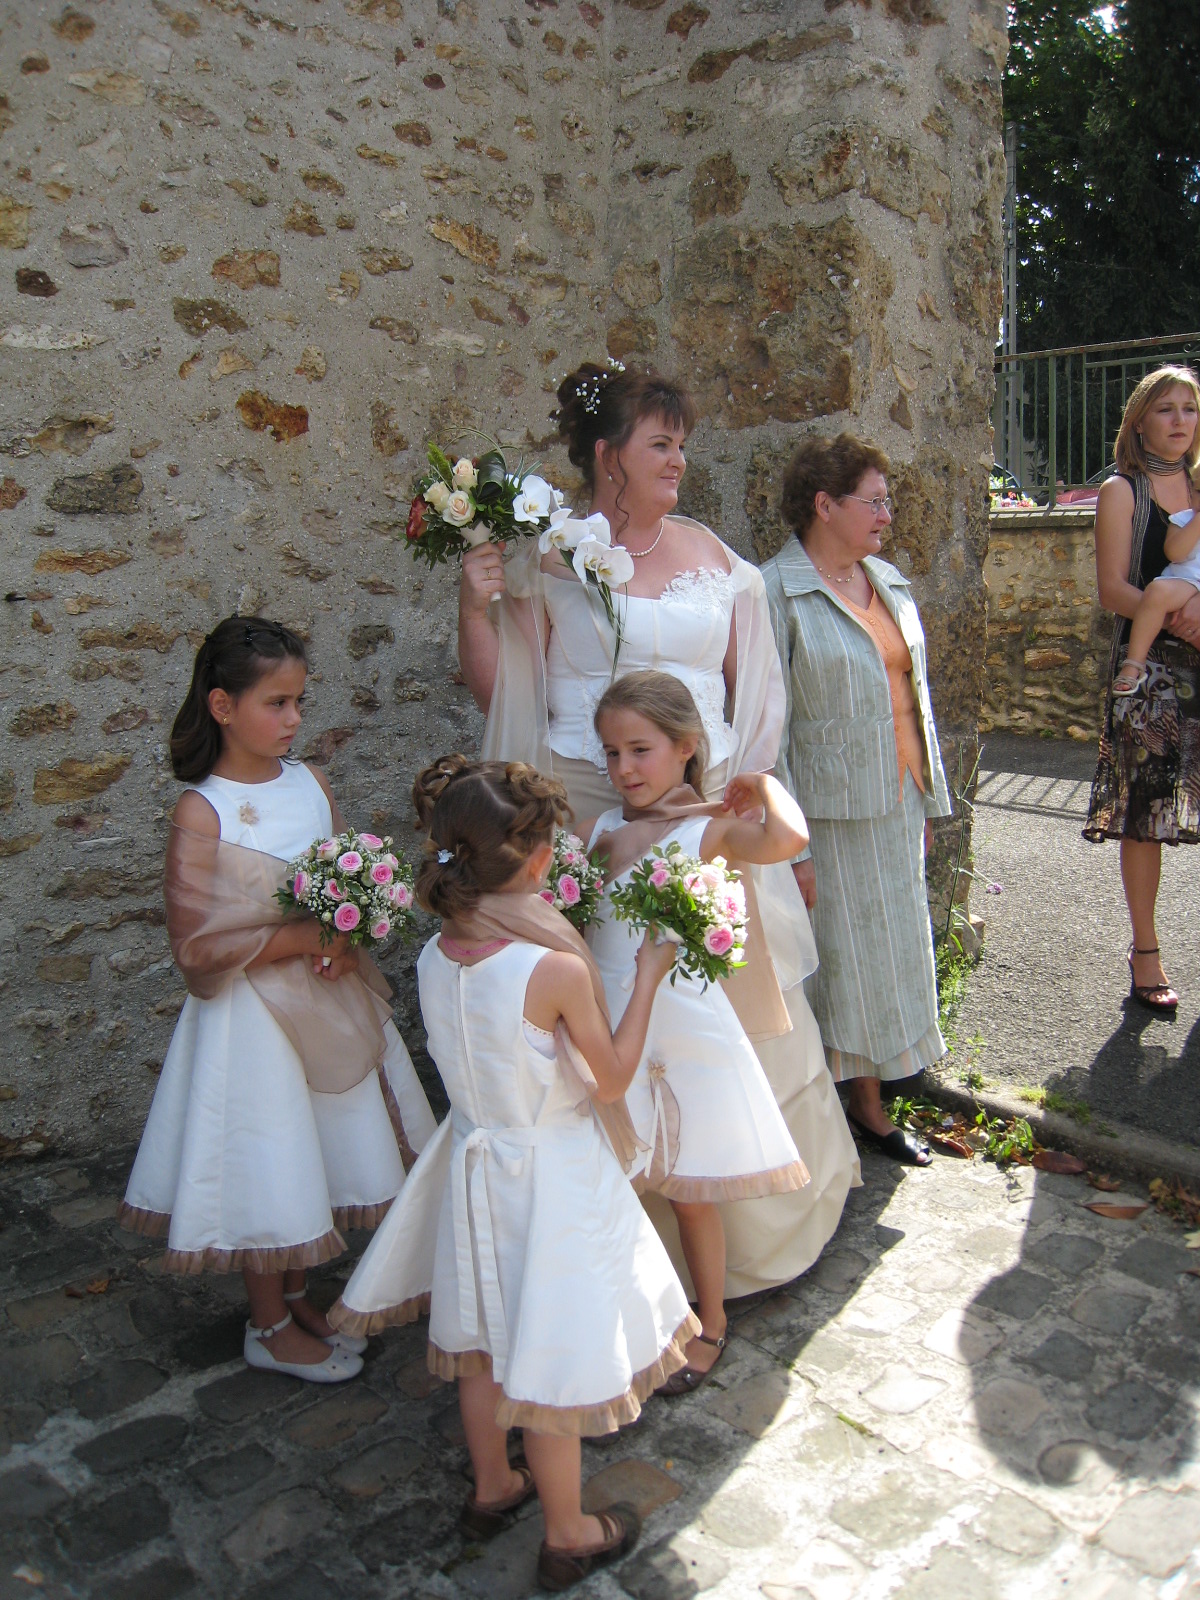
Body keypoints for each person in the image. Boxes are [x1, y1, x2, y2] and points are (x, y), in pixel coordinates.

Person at [456, 358, 860, 1293]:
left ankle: (748, 1230)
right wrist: (476, 605)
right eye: (661, 444)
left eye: (682, 446)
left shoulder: (719, 562)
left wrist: (725, 795)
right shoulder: (551, 562)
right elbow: (505, 688)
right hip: (586, 803)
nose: (678, 461)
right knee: (609, 992)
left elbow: (755, 696)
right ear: (609, 457)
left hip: (698, 810)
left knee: (717, 991)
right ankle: (618, 1244)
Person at [330, 757, 696, 1592]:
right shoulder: (551, 969)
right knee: (551, 1349)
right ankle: (568, 1533)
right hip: (551, 1177)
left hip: (472, 1166)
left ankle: (494, 1485)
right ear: (536, 860)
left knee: (481, 1339)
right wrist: (646, 979)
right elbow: (610, 1080)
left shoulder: (436, 954)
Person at [119, 618, 436, 1382]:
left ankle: (295, 1294)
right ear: (223, 706)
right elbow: (196, 945)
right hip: (251, 1020)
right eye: (277, 703)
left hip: (326, 996)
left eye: (300, 701)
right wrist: (302, 937)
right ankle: (265, 1325)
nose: (294, 719)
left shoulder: (309, 784)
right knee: (269, 1156)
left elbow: (344, 879)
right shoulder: (204, 811)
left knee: (312, 1150)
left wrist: (346, 937)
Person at [584, 673, 810, 1391]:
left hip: (683, 1033)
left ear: (686, 747)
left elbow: (787, 838)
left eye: (640, 749)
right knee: (612, 1180)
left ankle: (710, 1318)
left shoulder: (705, 829)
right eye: (612, 752)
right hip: (610, 1026)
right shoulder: (602, 828)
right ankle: (629, 1314)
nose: (624, 768)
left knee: (689, 1188)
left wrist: (760, 783)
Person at [761, 434, 952, 1167]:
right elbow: (770, 730)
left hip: (897, 802)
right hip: (828, 819)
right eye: (873, 501)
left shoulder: (887, 582)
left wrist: (927, 803)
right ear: (823, 504)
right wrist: (793, 848)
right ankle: (826, 1119)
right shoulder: (776, 592)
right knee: (837, 969)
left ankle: (872, 1108)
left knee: (887, 960)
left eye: (886, 502)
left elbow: (915, 701)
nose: (886, 515)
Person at [1084, 367, 1200, 1011]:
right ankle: (1146, 952)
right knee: (1145, 816)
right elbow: (1112, 590)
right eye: (1166, 409)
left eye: (1190, 408)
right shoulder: (1121, 490)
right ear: (1138, 422)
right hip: (1150, 671)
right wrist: (1185, 617)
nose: (1180, 420)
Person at [1113, 501, 1200, 696]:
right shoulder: (1183, 519)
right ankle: (1134, 664)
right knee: (1156, 592)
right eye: (1198, 492)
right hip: (1184, 583)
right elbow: (1174, 553)